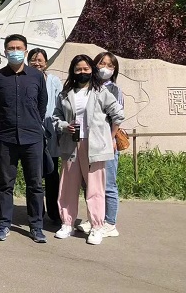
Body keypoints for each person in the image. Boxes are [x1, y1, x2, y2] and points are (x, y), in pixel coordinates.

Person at [52, 54, 124, 245]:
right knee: (67, 187)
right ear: (73, 71)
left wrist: (110, 137)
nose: (82, 72)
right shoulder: (65, 94)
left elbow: (118, 114)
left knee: (95, 188)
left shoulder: (101, 91)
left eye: (86, 69)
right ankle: (67, 223)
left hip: (94, 146)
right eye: (78, 69)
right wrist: (64, 126)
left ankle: (97, 227)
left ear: (92, 70)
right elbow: (56, 117)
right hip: (71, 144)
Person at [0, 34, 48, 243]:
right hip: (6, 138)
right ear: (5, 52)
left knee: (35, 184)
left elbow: (42, 105)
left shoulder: (37, 76)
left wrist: (32, 123)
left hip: (32, 138)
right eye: (11, 48)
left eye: (19, 48)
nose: (15, 51)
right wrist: (6, 124)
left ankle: (36, 226)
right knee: (5, 184)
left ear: (25, 51)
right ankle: (4, 224)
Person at [75, 52, 125, 238]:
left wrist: (111, 139)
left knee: (108, 184)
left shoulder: (113, 90)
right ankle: (95, 218)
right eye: (102, 63)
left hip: (107, 143)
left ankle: (110, 223)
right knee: (91, 184)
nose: (105, 68)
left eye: (110, 65)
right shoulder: (87, 88)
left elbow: (117, 116)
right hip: (89, 143)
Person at [27, 47, 63, 224]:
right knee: (33, 174)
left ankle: (54, 212)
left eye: (40, 60)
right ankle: (37, 212)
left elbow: (61, 104)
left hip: (50, 132)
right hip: (31, 132)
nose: (36, 63)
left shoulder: (54, 80)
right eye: (33, 60)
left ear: (46, 63)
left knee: (51, 172)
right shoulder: (24, 79)